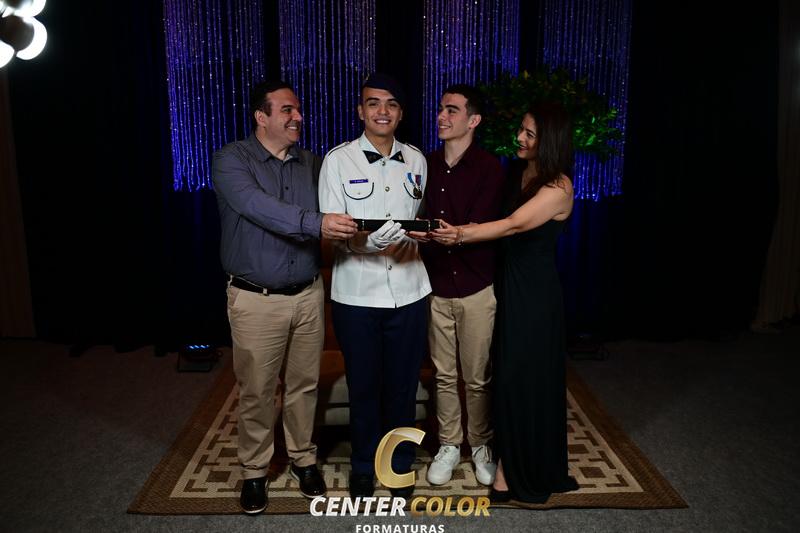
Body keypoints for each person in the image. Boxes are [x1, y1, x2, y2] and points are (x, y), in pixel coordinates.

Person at [212, 80, 358, 514]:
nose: (298, 117)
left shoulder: (310, 163)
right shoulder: (231, 160)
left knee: (303, 386)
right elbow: (258, 207)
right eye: (287, 111)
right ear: (261, 117)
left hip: (308, 295)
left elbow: (345, 193)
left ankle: (302, 459)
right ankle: (255, 470)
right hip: (256, 299)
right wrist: (318, 223)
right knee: (257, 391)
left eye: (298, 110)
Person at [431, 101, 579, 503]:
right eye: (521, 129)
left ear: (550, 140)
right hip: (507, 283)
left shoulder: (559, 186)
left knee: (523, 379)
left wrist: (460, 234)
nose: (519, 138)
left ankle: (511, 471)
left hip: (535, 295)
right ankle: (506, 459)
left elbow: (513, 225)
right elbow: (490, 217)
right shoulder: (516, 171)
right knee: (504, 376)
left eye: (530, 134)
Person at [318, 73, 431, 499]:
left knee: (403, 386)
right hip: (357, 294)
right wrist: (369, 243)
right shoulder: (338, 160)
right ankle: (364, 464)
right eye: (373, 103)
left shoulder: (417, 160)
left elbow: (420, 220)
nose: (382, 111)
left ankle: (398, 464)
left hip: (410, 290)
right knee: (363, 384)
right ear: (360, 111)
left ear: (400, 113)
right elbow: (333, 230)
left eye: (391, 104)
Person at [409, 84, 504, 487]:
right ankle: (449, 444)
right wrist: (416, 229)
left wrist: (456, 233)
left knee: (477, 376)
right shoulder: (424, 164)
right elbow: (415, 214)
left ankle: (480, 444)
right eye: (441, 109)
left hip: (476, 287)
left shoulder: (490, 167)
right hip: (435, 287)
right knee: (444, 375)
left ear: (473, 120)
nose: (442, 116)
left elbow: (483, 225)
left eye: (452, 110)